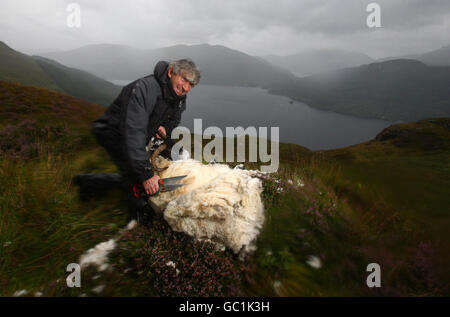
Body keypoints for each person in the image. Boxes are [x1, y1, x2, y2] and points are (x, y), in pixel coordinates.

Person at [74, 59, 201, 227]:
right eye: (184, 79)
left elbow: (173, 120)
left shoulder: (178, 97)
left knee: (133, 174)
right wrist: (146, 175)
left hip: (137, 135)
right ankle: (138, 222)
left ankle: (87, 182)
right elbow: (133, 131)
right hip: (114, 132)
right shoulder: (145, 88)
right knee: (137, 176)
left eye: (190, 84)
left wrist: (164, 127)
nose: (185, 87)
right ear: (171, 72)